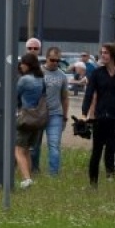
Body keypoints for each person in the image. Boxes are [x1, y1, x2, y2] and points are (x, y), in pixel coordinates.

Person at [81, 42, 115, 191]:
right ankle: (93, 185)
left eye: (105, 53)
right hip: (100, 118)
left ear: (113, 55)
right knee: (96, 152)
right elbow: (89, 94)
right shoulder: (97, 73)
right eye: (101, 52)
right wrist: (84, 113)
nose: (102, 55)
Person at [38, 47, 71, 177]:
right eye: (52, 60)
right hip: (38, 114)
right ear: (46, 58)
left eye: (58, 60)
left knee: (54, 145)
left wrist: (65, 117)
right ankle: (33, 169)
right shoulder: (38, 72)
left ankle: (53, 174)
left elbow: (65, 98)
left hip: (55, 114)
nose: (55, 63)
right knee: (34, 146)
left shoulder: (62, 75)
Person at [14, 53, 44, 189]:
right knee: (27, 151)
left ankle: (26, 179)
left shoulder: (24, 80)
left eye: (23, 63)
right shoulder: (41, 79)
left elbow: (15, 96)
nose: (21, 66)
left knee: (18, 150)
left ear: (28, 65)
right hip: (37, 118)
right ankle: (29, 176)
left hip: (25, 117)